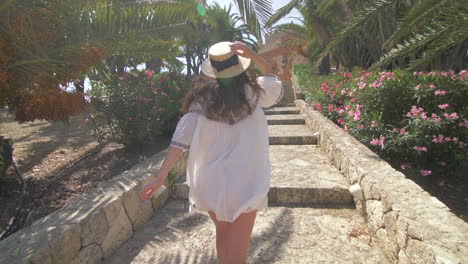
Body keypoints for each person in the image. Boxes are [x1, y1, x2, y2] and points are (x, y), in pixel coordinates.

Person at [139, 41, 283, 264]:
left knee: (224, 235)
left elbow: (181, 140)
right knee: (238, 254)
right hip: (245, 182)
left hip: (211, 181)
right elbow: (272, 75)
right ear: (241, 67)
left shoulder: (203, 100)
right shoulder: (255, 94)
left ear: (214, 70)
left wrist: (161, 176)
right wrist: (253, 54)